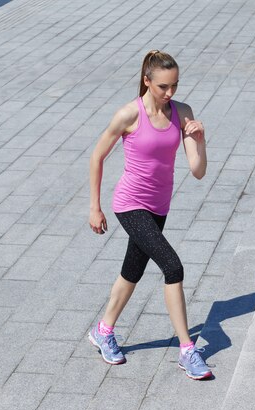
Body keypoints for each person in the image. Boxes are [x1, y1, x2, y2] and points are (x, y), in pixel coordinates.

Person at [87, 50, 212, 380]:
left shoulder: (182, 113)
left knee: (132, 271)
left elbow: (197, 171)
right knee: (173, 267)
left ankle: (103, 330)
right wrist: (95, 207)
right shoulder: (129, 114)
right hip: (130, 205)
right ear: (146, 81)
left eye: (174, 86)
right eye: (163, 87)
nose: (170, 93)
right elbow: (97, 157)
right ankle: (187, 350)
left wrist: (198, 141)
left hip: (159, 206)